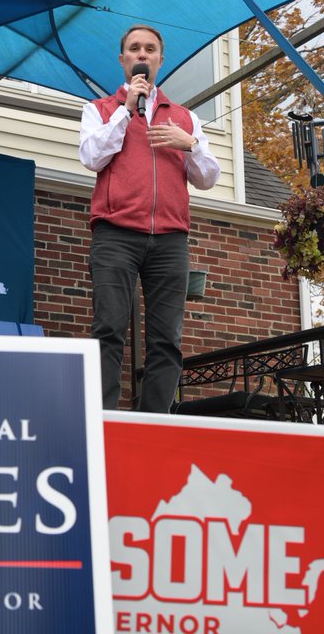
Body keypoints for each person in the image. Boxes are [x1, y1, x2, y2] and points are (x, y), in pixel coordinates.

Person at [79, 25, 220, 412]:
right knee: (108, 329)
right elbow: (92, 157)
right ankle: (103, 419)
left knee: (167, 338)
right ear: (123, 60)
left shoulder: (185, 118)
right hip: (116, 235)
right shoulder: (99, 110)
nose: (142, 54)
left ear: (160, 59)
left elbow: (208, 178)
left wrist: (188, 145)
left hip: (170, 240)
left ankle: (154, 423)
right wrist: (126, 112)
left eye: (150, 49)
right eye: (134, 48)